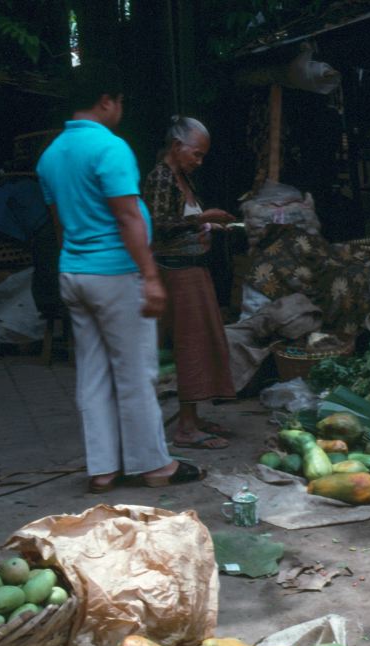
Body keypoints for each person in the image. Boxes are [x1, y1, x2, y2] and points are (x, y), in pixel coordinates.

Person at [36, 61, 203, 492]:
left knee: (92, 374)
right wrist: (149, 276)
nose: (121, 109)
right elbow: (129, 217)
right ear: (106, 101)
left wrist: (74, 263)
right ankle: (153, 465)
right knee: (135, 373)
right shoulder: (110, 148)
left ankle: (103, 469)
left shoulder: (51, 155)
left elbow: (59, 225)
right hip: (115, 274)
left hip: (74, 272)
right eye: (120, 102)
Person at [143, 116, 238, 450]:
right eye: (195, 154)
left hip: (194, 270)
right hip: (178, 274)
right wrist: (203, 217)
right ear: (176, 146)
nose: (198, 161)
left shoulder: (182, 177)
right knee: (190, 346)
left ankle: (193, 418)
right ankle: (185, 427)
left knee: (202, 342)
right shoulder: (161, 177)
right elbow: (158, 224)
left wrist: (207, 229)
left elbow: (181, 223)